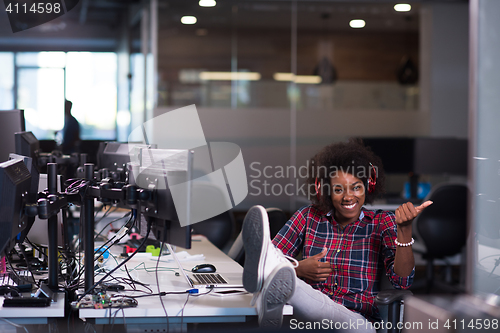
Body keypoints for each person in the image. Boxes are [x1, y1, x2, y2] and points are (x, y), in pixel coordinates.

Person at [241, 138, 432, 332]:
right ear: (326, 192)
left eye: (356, 187)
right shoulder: (308, 217)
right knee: (276, 270)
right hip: (308, 319)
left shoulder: (383, 222)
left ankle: (268, 292)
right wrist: (298, 268)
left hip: (356, 322)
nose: (348, 197)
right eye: (338, 189)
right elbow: (277, 256)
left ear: (368, 186)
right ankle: (271, 285)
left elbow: (402, 282)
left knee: (279, 275)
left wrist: (405, 230)